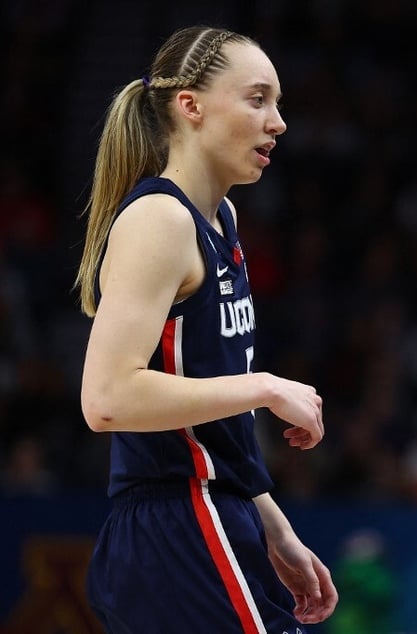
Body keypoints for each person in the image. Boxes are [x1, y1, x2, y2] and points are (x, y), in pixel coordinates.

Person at [75, 26, 337, 632]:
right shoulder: (160, 219)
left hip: (214, 513)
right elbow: (107, 399)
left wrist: (271, 522)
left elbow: (205, 413)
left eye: (279, 103)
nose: (279, 122)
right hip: (175, 527)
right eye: (257, 99)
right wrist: (267, 387)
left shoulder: (222, 218)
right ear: (190, 106)